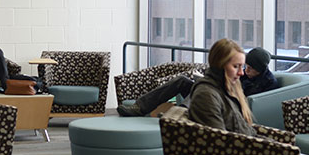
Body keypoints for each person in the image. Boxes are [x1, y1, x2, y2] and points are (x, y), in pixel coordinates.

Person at [117, 46, 279, 117]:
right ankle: (140, 107)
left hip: (228, 107)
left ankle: (178, 116)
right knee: (182, 81)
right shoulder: (243, 73)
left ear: (261, 69)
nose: (245, 71)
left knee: (201, 89)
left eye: (250, 69)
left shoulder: (268, 83)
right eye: (245, 66)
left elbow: (244, 103)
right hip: (217, 98)